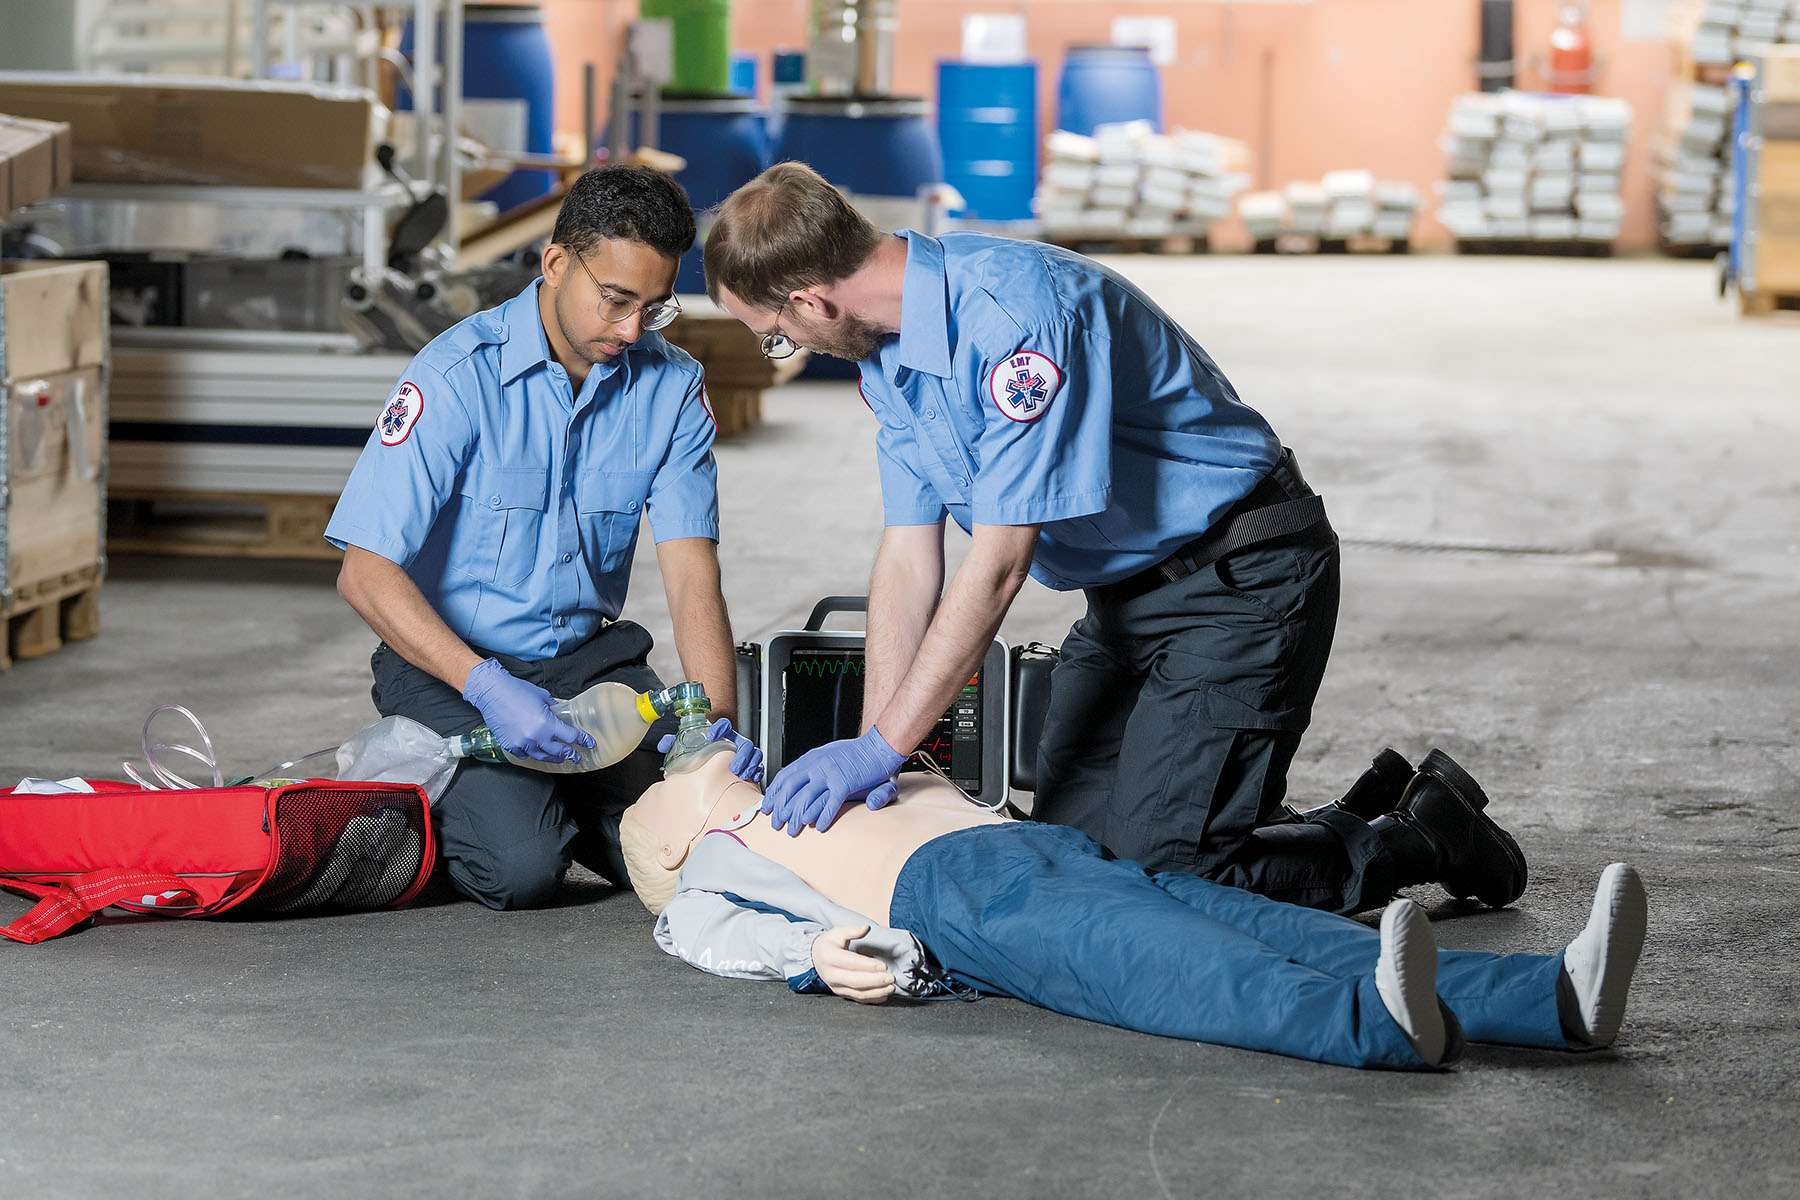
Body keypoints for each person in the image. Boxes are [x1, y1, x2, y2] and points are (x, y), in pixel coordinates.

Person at [700, 161, 1524, 915]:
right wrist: (880, 746)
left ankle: (1419, 837)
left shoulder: (1015, 322)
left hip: (1244, 578)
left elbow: (995, 568)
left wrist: (884, 746)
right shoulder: (891, 357)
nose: (789, 347)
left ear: (810, 299)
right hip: (1128, 601)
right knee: (1074, 862)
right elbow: (909, 560)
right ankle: (1320, 813)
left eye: (774, 333)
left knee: (1168, 879)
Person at [616, 746, 1648, 1071]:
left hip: (1040, 849)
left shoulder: (808, 780)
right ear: (662, 837)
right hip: (962, 902)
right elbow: (720, 940)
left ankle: (1551, 994)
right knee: (1172, 965)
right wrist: (817, 954)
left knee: (1271, 927)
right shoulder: (710, 873)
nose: (710, 756)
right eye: (677, 775)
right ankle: (1375, 1028)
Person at [325, 165, 760, 911]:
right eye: (616, 301)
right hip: (456, 672)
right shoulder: (457, 377)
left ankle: (576, 800)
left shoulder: (671, 386)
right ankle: (468, 799)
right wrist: (488, 686)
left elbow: (693, 575)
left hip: (593, 669)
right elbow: (365, 573)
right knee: (523, 868)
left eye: (652, 309)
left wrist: (711, 730)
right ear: (556, 263)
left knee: (707, 847)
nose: (630, 331)